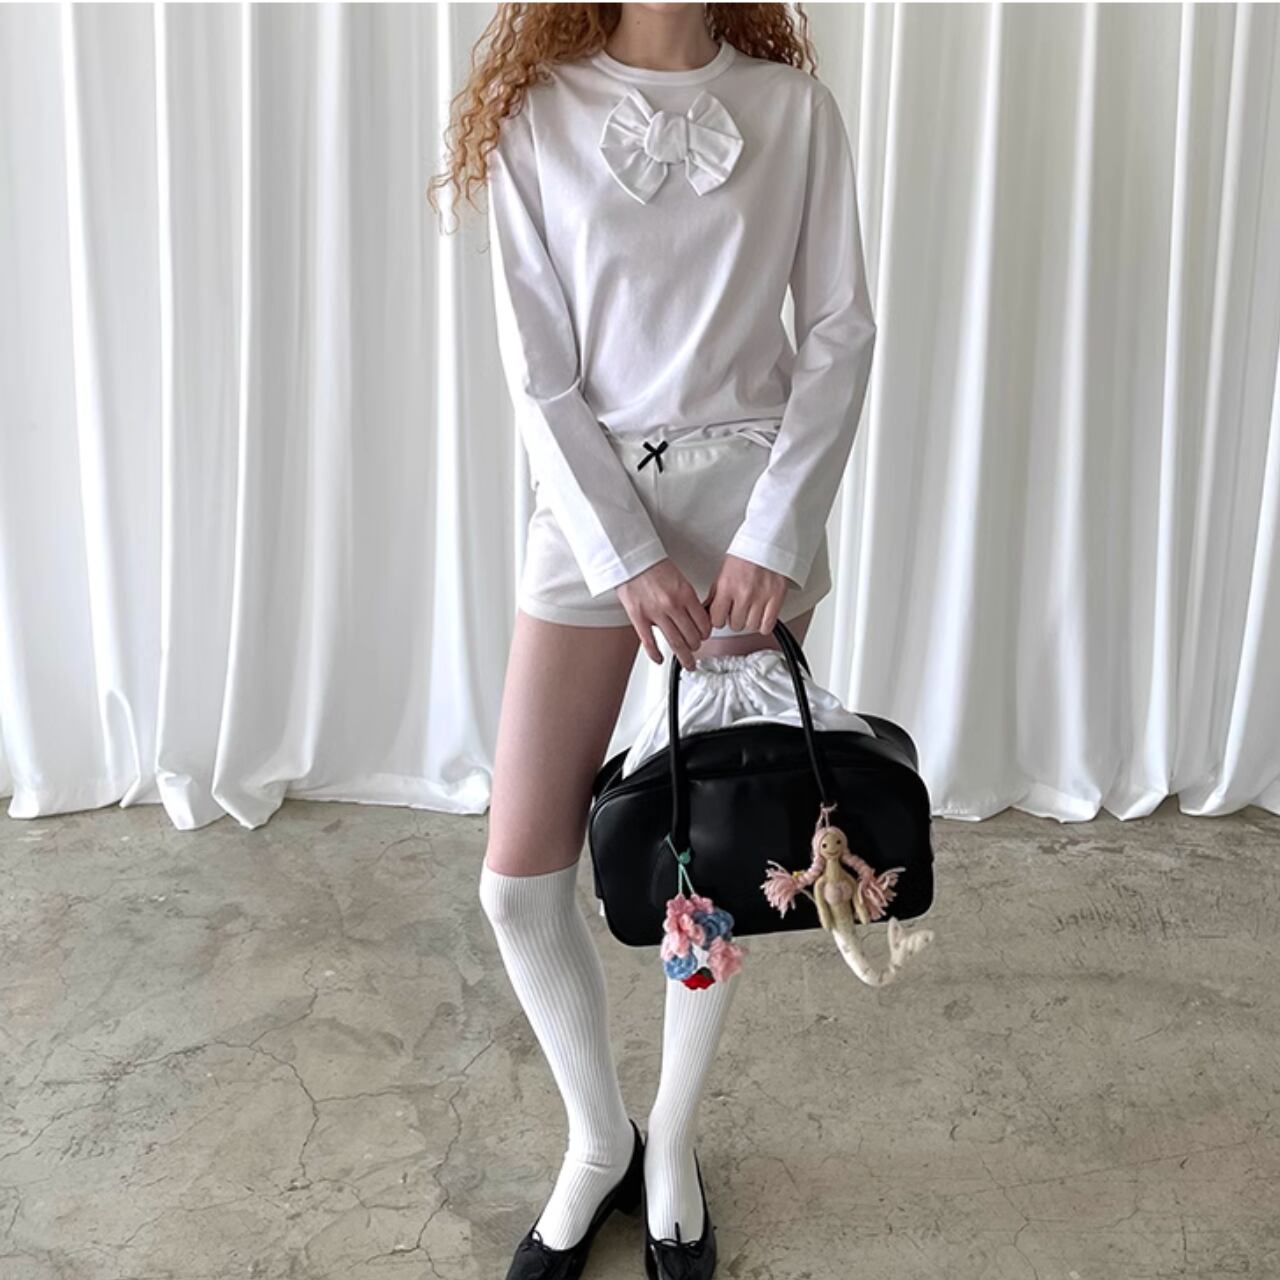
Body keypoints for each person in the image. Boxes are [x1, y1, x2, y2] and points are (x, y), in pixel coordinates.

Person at [429, 3, 876, 1276]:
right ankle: (597, 1138)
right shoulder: (540, 116)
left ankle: (672, 1139)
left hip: (753, 526)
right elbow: (538, 370)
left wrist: (775, 535)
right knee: (518, 877)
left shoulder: (792, 112)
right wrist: (624, 552)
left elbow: (838, 333)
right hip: (593, 519)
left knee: (719, 852)